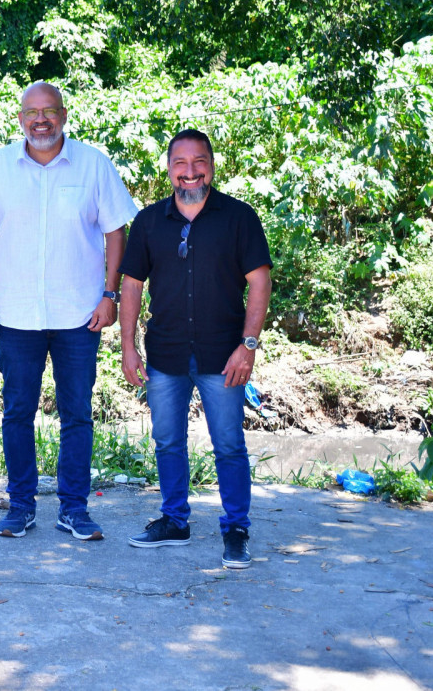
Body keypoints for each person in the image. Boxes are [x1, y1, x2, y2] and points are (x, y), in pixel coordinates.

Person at [0, 81, 138, 541]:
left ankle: (74, 509)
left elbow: (116, 232)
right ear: (20, 117)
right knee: (17, 412)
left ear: (63, 115)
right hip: (15, 316)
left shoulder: (94, 164)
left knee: (77, 414)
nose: (40, 119)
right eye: (31, 112)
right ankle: (21, 506)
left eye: (49, 111)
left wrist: (111, 294)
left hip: (80, 315)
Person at [119, 128, 272, 569]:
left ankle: (236, 529)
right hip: (165, 354)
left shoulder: (238, 218)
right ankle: (174, 521)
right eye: (180, 164)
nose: (190, 172)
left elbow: (259, 282)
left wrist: (248, 347)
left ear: (212, 165)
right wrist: (128, 348)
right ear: (168, 169)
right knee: (167, 440)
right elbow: (131, 285)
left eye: (198, 162)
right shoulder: (149, 222)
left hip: (222, 355)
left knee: (228, 444)